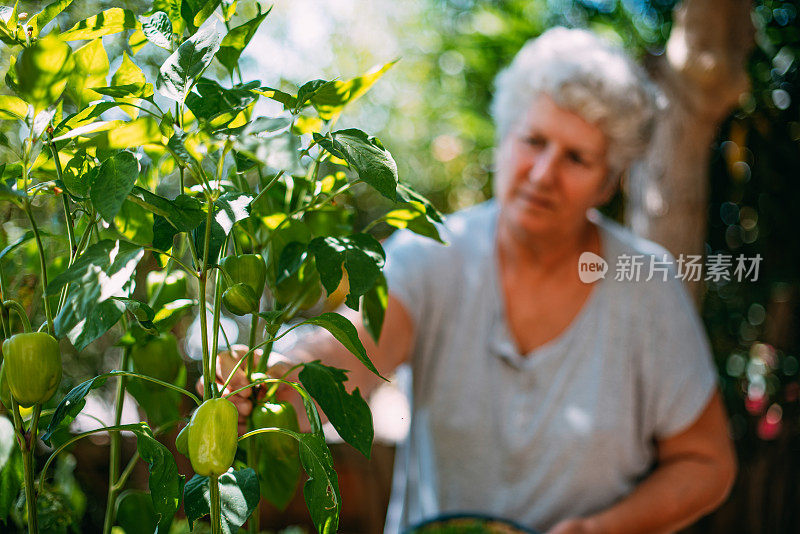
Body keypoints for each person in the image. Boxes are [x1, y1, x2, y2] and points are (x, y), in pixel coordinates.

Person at [215, 27, 737, 534]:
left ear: (607, 181)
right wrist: (277, 374)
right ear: (505, 138)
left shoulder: (644, 284)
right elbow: (355, 355)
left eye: (576, 157)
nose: (542, 173)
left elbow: (705, 464)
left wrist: (599, 530)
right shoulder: (433, 254)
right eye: (533, 140)